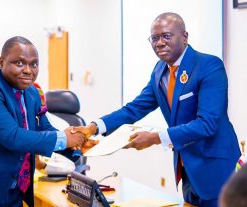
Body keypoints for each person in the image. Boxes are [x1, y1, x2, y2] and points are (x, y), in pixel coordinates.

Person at [73, 12, 241, 207]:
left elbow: (207, 124)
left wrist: (155, 138)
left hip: (216, 168)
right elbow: (133, 109)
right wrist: (93, 128)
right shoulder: (159, 70)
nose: (159, 43)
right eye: (154, 38)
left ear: (184, 37)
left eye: (166, 36)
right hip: (187, 170)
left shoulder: (208, 66)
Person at [0, 36, 87, 207]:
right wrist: (65, 139)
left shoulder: (32, 92)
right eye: (19, 63)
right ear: (1, 61)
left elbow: (43, 127)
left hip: (12, 189)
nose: (28, 70)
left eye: (34, 64)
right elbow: (11, 136)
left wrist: (78, 146)